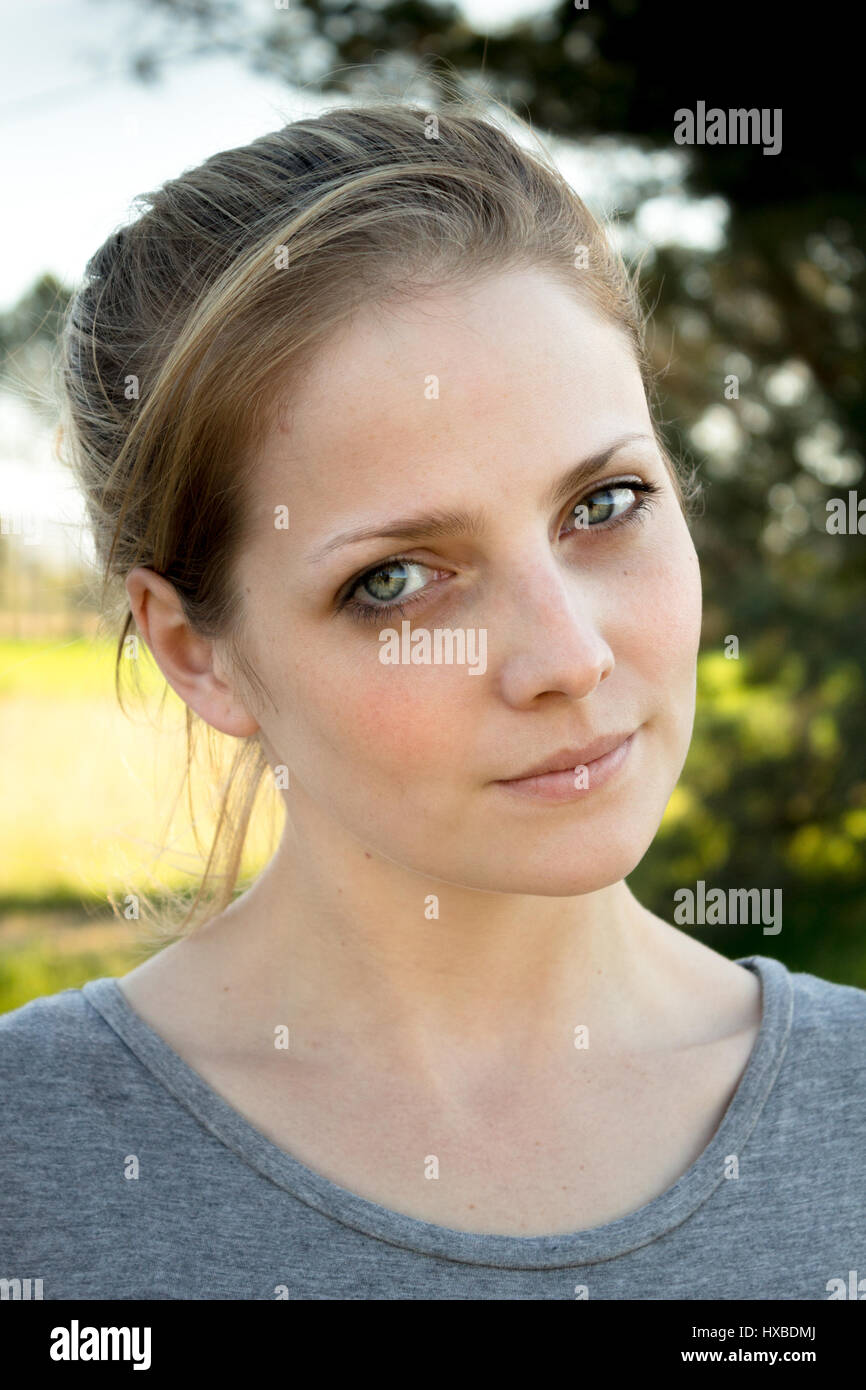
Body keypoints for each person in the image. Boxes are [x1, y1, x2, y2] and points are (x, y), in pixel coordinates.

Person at [1, 93, 864, 1302]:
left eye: (603, 505)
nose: (566, 656)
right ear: (197, 652)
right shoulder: (31, 1170)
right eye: (396, 581)